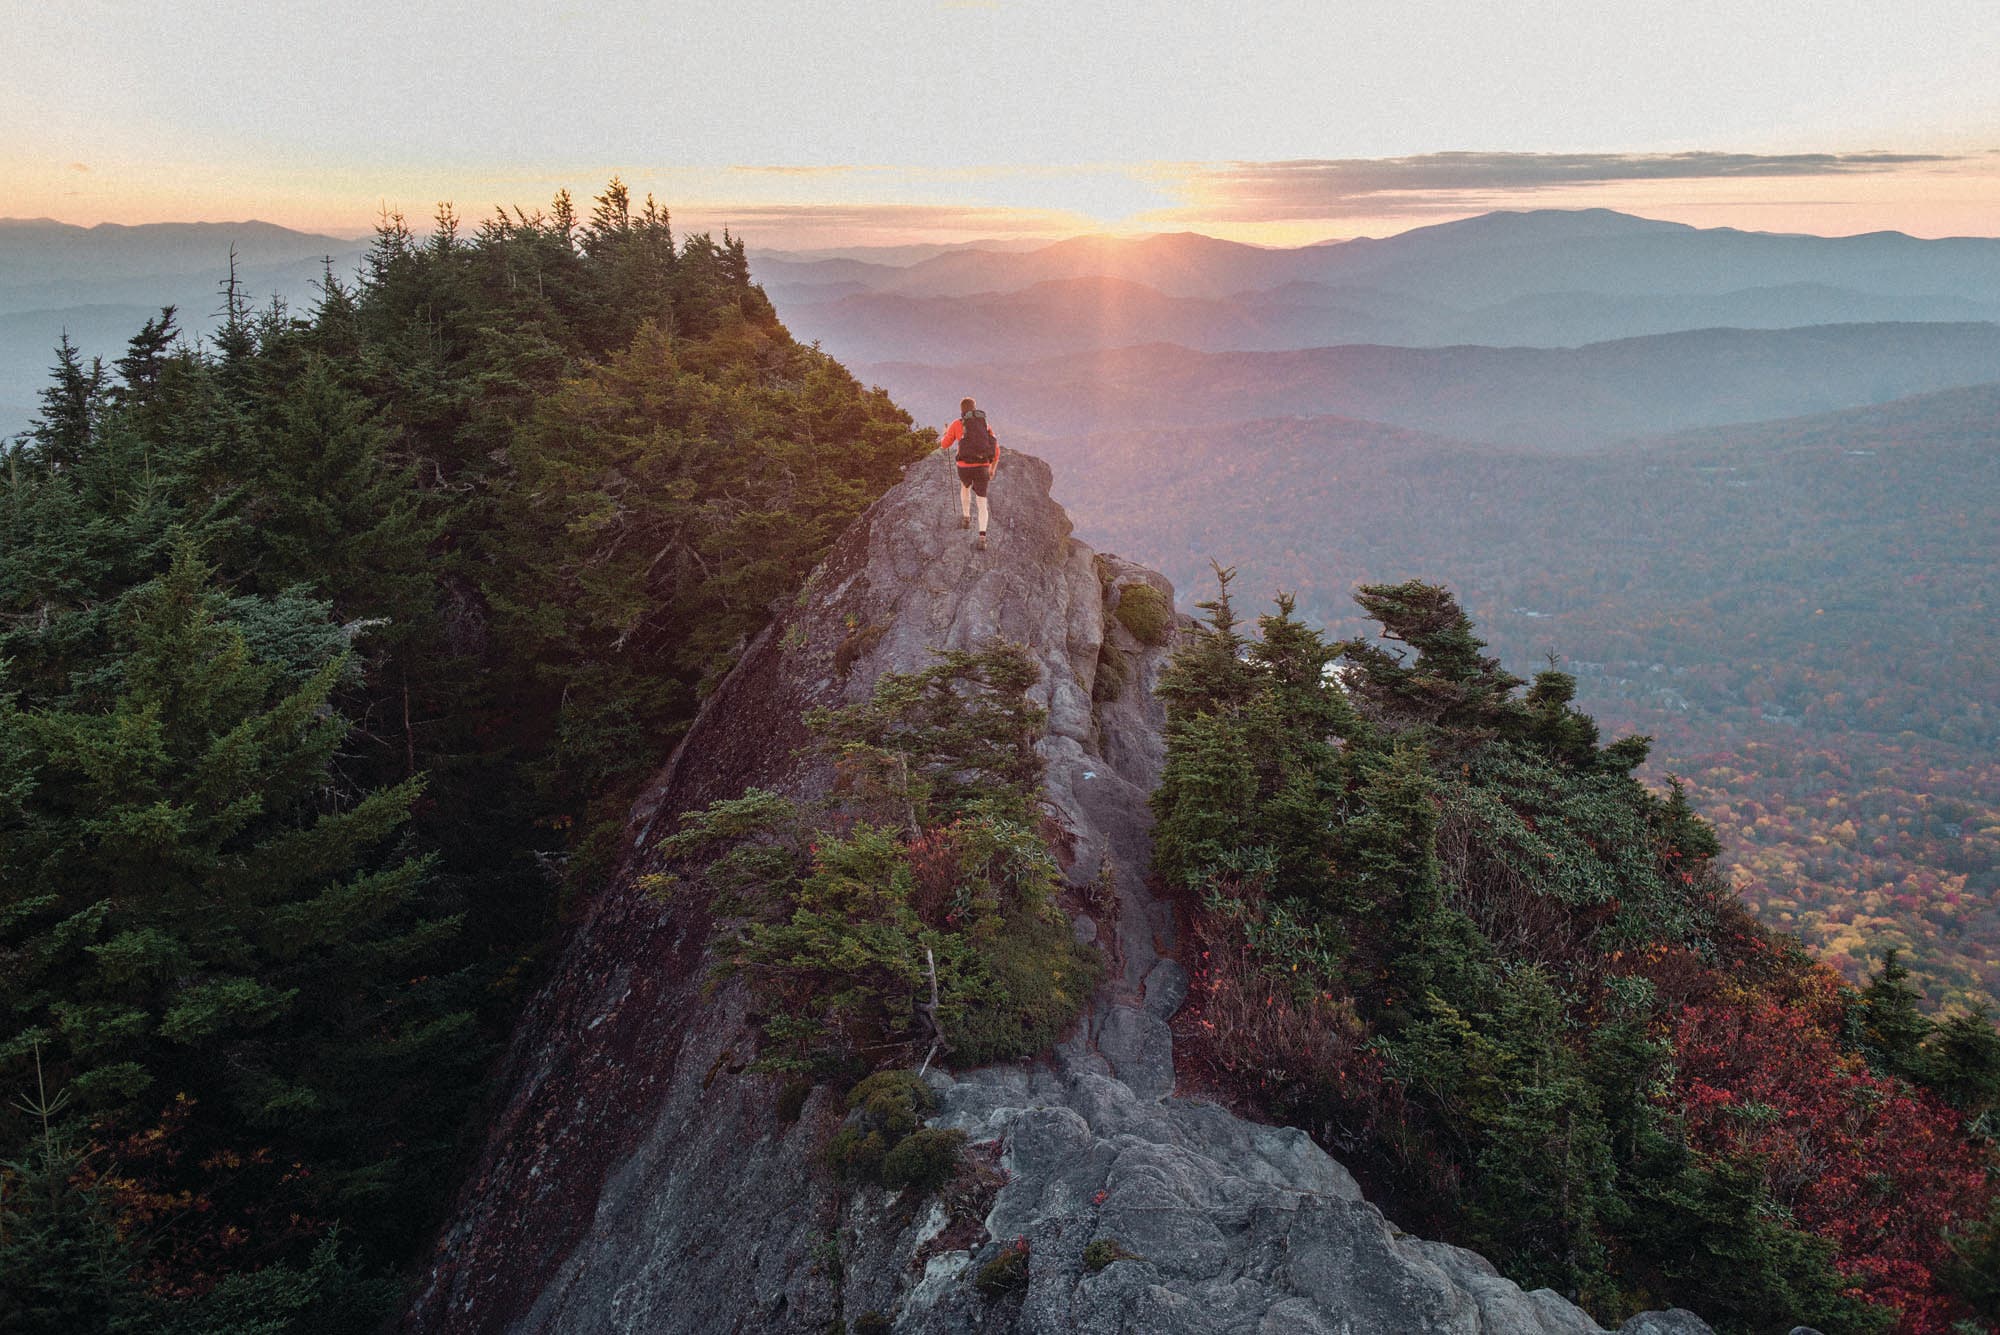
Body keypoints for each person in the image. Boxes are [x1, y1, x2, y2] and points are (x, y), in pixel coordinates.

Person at [937, 397, 999, 549]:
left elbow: (944, 445)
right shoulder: (985, 425)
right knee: (982, 502)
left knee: (965, 487)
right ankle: (982, 537)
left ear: (962, 410)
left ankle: (966, 517)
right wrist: (992, 468)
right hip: (982, 466)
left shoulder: (957, 424)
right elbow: (996, 449)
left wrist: (945, 434)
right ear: (974, 409)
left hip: (964, 466)